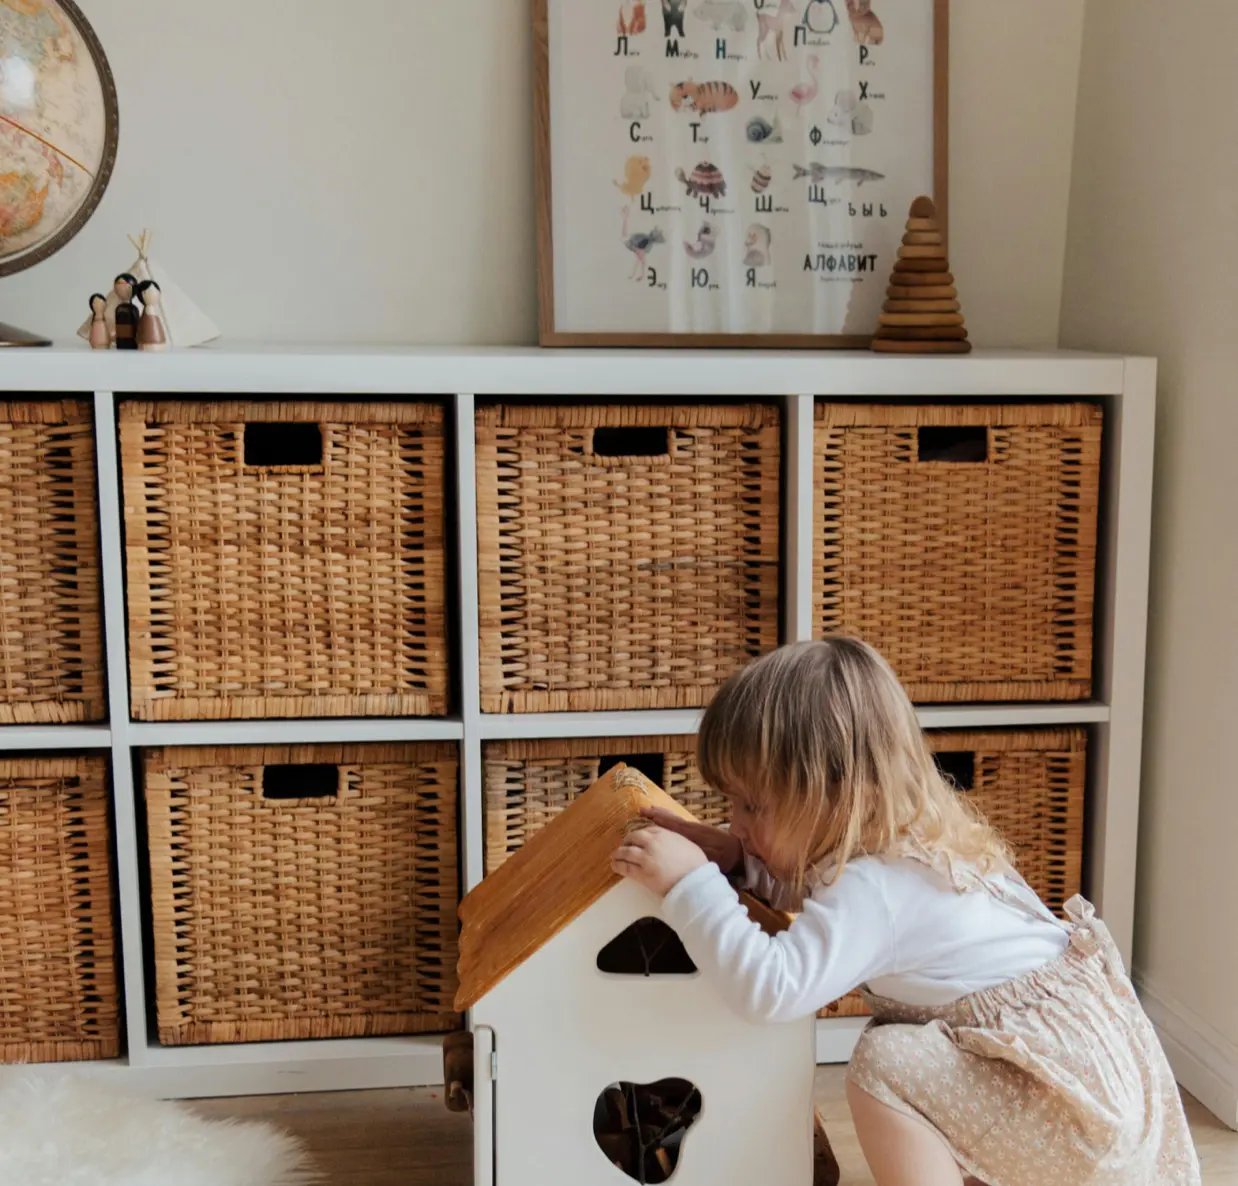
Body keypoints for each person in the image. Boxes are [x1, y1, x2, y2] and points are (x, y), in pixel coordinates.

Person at [611, 637, 1200, 1186]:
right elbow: (819, 895)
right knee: (918, 1054)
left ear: (832, 794)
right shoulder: (911, 840)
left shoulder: (876, 889)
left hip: (1067, 1120)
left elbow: (771, 988)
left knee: (885, 1061)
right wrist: (739, 862)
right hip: (1089, 1092)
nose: (736, 822)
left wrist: (692, 887)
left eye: (752, 806)